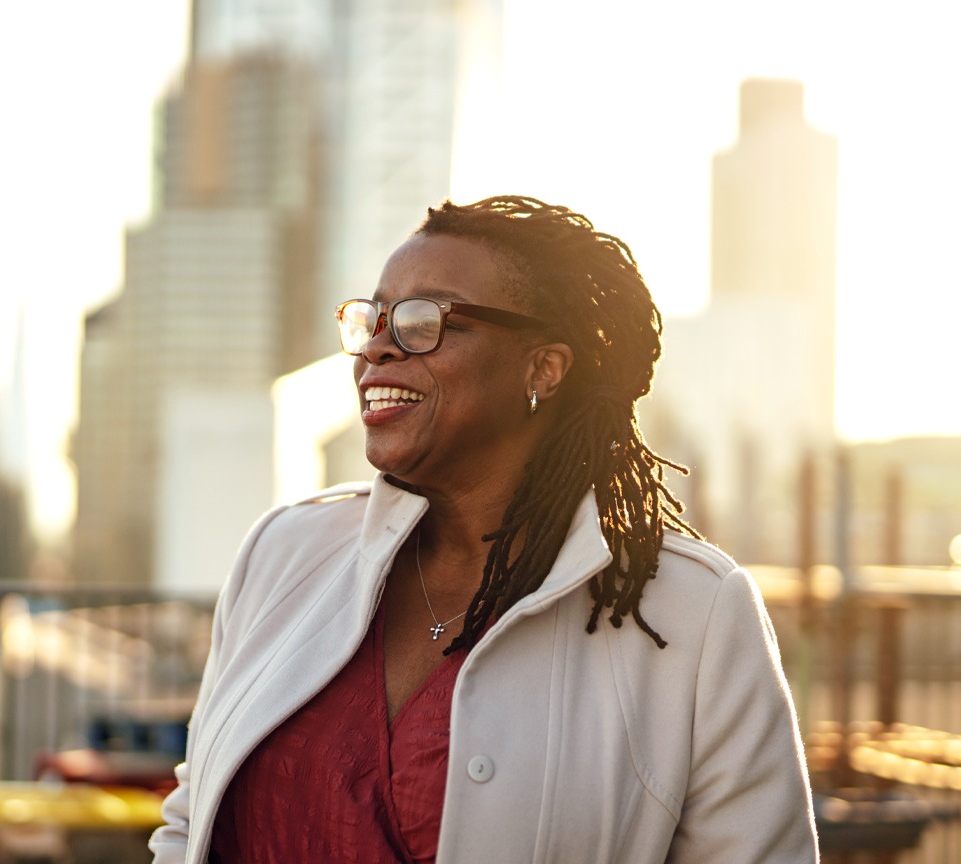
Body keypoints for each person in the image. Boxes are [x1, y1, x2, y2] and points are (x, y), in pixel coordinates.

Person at [150, 196, 818, 863]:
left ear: (544, 369)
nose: (378, 347)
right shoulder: (285, 552)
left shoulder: (692, 613)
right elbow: (190, 824)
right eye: (374, 317)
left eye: (423, 321)